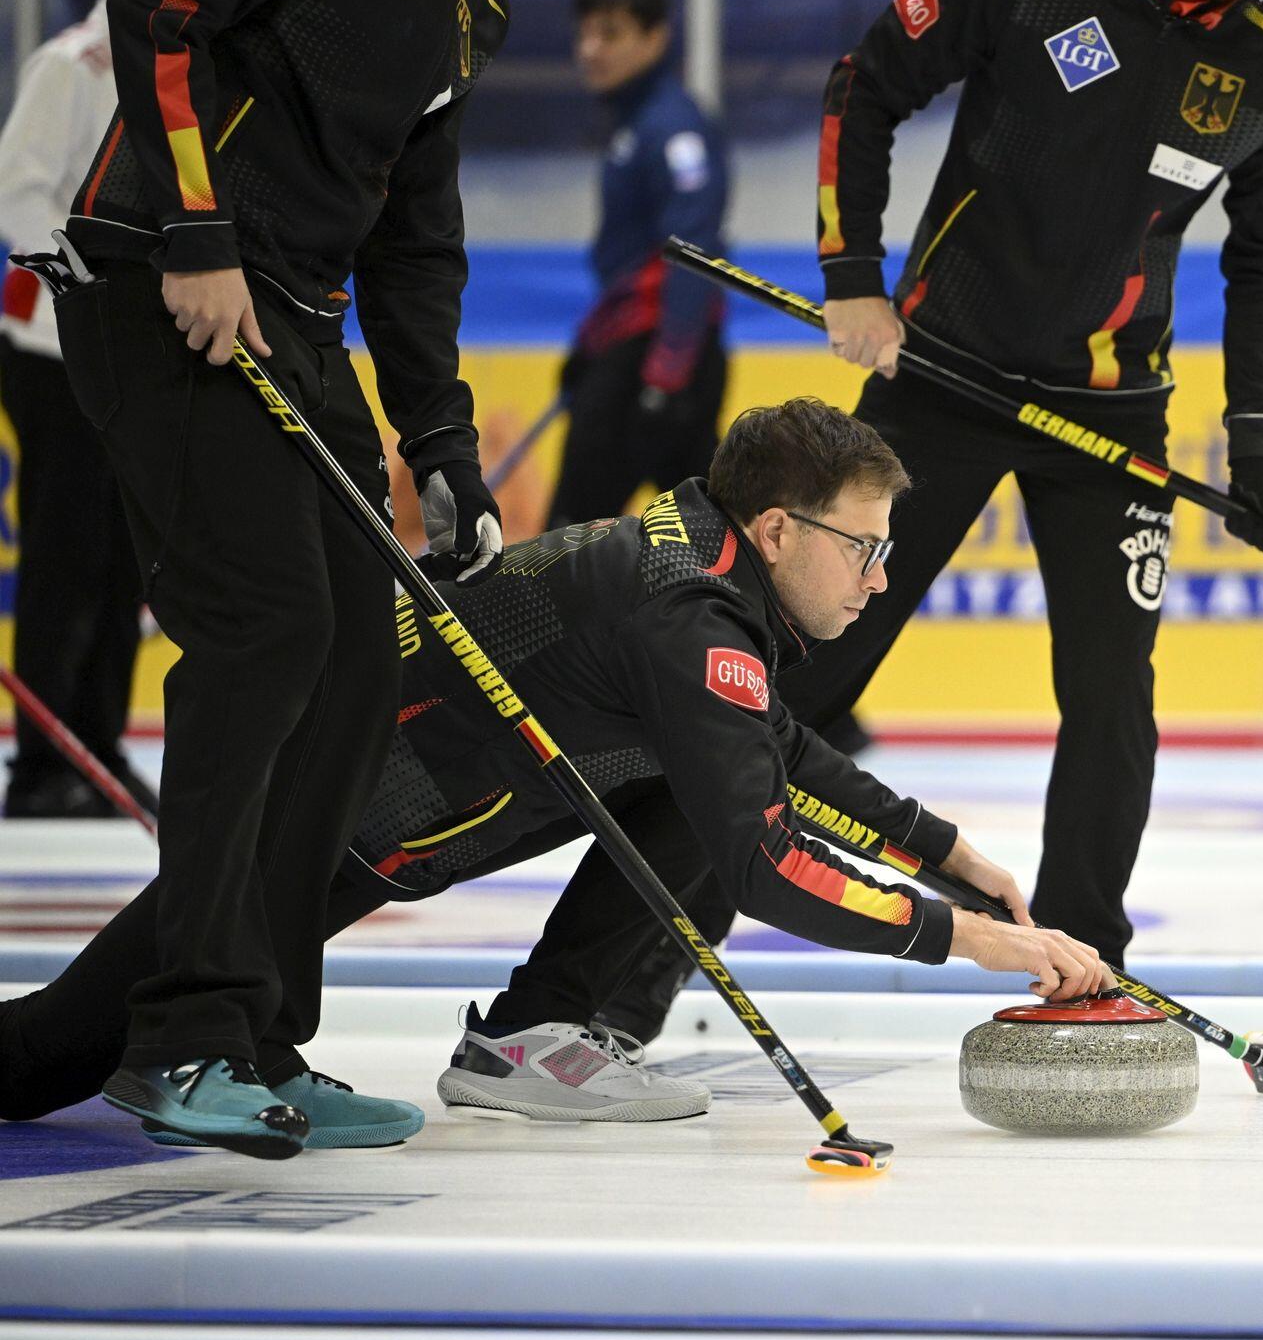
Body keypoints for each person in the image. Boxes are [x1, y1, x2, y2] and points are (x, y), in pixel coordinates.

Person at [0, 399, 1113, 1135]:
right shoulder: (691, 620)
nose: (878, 578)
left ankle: (539, 1027)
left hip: (372, 805)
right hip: (329, 816)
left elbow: (765, 743)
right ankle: (529, 1031)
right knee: (47, 1053)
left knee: (709, 778)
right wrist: (981, 941)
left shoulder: (701, 570)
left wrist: (946, 852)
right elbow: (766, 866)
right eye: (863, 548)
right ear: (778, 530)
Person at [20, 0, 510, 1159]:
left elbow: (416, 230)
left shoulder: (472, 3)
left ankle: (259, 1036)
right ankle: (183, 1034)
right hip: (163, 282)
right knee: (269, 630)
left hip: (298, 317)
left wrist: (439, 439)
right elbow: (156, 10)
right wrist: (195, 232)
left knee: (356, 669)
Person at [786, 0, 1263, 968]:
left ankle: (1085, 966)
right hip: (941, 378)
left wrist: (1256, 440)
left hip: (1110, 412)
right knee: (809, 665)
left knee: (1112, 697)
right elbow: (865, 81)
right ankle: (632, 957)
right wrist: (851, 272)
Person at [0, 0, 153, 820]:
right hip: (52, 346)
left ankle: (98, 744)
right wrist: (86, 281)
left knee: (127, 552)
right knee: (66, 551)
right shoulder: (71, 65)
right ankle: (40, 759)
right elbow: (17, 191)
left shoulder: (171, 69)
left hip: (133, 351)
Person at [548, 0, 731, 526]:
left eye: (610, 33)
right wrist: (591, 344)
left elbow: (691, 255)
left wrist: (667, 372)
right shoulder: (633, 123)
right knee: (713, 537)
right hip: (639, 350)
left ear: (655, 38)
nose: (590, 49)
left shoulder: (673, 129)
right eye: (584, 33)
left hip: (654, 357)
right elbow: (633, 265)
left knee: (566, 542)